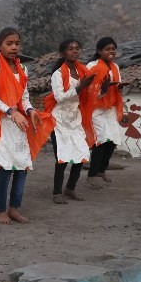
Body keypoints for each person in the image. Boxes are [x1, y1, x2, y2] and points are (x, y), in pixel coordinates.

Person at [0, 27, 51, 224]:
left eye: (17, 43)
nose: (14, 47)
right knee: (5, 167)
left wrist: (30, 111)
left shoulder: (23, 69)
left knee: (21, 166)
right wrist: (11, 112)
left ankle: (14, 208)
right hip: (1, 122)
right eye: (9, 43)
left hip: (19, 123)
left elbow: (24, 98)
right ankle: (0, 210)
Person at [45, 39, 94, 204]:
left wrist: (105, 88)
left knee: (81, 153)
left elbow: (91, 93)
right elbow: (59, 97)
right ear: (63, 53)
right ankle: (56, 193)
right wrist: (79, 88)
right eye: (71, 49)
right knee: (62, 157)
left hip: (75, 118)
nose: (75, 51)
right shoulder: (57, 74)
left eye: (77, 48)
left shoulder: (82, 72)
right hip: (59, 120)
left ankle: (70, 188)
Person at [82, 37, 126, 189]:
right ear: (99, 51)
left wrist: (119, 87)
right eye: (107, 49)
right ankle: (92, 174)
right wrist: (104, 90)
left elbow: (117, 86)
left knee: (113, 140)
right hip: (96, 109)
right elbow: (87, 90)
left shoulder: (115, 67)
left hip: (110, 108)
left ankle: (102, 170)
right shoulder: (92, 66)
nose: (111, 52)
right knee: (101, 141)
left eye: (113, 49)